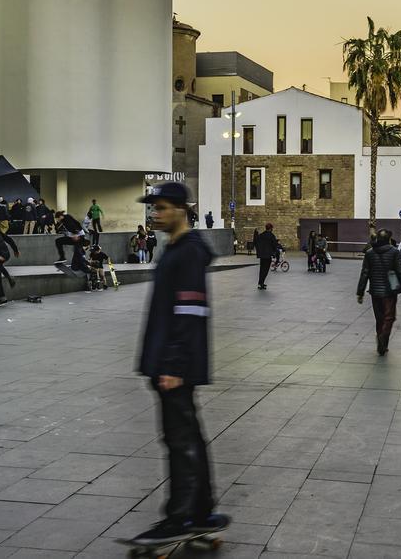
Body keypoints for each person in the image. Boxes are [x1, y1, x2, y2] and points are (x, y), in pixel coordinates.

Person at [132, 181, 227, 546]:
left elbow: (189, 311)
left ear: (181, 210)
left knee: (179, 441)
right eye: (153, 208)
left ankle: (180, 517)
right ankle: (202, 512)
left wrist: (172, 365)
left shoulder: (187, 252)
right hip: (167, 362)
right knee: (187, 438)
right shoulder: (174, 248)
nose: (155, 214)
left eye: (161, 208)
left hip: (174, 366)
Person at [357, 229, 401, 356]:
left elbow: (364, 273)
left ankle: (382, 344)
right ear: (388, 239)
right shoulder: (394, 252)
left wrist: (360, 292)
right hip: (390, 291)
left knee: (379, 318)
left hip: (375, 291)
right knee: (389, 317)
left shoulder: (369, 253)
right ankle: (382, 339)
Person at [254, 223, 278, 290]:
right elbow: (274, 245)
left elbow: (256, 241)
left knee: (261, 270)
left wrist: (255, 232)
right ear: (270, 228)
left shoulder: (261, 235)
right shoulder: (271, 236)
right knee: (266, 270)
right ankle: (261, 283)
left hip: (262, 256)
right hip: (268, 256)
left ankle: (260, 283)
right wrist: (275, 253)